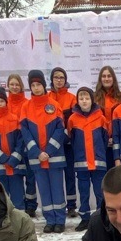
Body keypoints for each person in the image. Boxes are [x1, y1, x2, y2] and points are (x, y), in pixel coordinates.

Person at [20, 70, 67, 233]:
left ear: (44, 85)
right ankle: (50, 220)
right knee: (44, 191)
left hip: (54, 157)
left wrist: (48, 151)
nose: (36, 88)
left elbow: (60, 130)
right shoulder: (25, 107)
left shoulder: (54, 105)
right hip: (37, 158)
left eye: (38, 84)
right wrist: (37, 152)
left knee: (57, 190)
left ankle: (60, 220)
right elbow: (25, 132)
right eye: (33, 85)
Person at [67, 86, 109, 232]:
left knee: (100, 192)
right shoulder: (72, 119)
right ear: (77, 101)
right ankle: (85, 219)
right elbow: (72, 140)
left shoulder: (101, 118)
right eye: (81, 98)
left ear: (92, 100)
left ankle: (102, 218)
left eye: (87, 98)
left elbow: (105, 140)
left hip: (99, 163)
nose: (84, 101)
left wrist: (99, 154)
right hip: (81, 164)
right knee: (83, 192)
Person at [49, 66, 78, 218]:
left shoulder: (72, 98)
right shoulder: (47, 99)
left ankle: (72, 205)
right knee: (55, 176)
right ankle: (57, 203)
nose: (59, 80)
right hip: (51, 146)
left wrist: (66, 136)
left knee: (70, 174)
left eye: (61, 77)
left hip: (67, 143)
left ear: (65, 80)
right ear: (51, 80)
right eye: (56, 77)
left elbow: (73, 121)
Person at [7, 73, 37, 217]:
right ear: (7, 86)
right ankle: (18, 204)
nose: (14, 87)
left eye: (17, 84)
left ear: (21, 86)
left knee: (30, 177)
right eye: (12, 84)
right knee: (16, 177)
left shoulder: (27, 103)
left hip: (27, 145)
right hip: (13, 146)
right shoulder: (4, 103)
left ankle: (31, 205)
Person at [94, 66, 121, 171]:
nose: (106, 79)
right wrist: (105, 138)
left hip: (118, 142)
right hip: (100, 143)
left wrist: (114, 138)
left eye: (109, 76)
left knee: (117, 176)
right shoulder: (94, 98)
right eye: (104, 76)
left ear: (113, 78)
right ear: (100, 79)